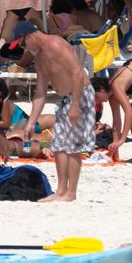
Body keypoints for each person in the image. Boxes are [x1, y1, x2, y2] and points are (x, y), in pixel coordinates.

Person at [18, 21, 93, 202]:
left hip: (80, 95)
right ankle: (61, 191)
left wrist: (75, 104)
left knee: (73, 146)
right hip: (65, 99)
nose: (24, 48)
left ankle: (71, 193)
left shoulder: (56, 43)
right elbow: (40, 93)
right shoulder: (40, 58)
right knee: (58, 144)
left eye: (23, 43)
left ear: (30, 36)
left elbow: (77, 71)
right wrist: (31, 122)